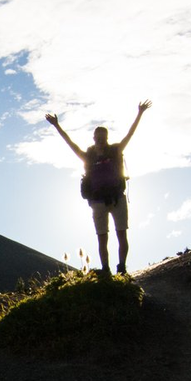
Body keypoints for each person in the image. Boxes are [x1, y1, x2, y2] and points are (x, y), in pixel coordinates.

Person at [46, 100, 152, 275]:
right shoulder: (88, 156)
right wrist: (57, 126)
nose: (101, 141)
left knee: (121, 234)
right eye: (98, 138)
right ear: (94, 138)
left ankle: (122, 267)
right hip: (98, 201)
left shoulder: (115, 151)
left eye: (103, 138)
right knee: (103, 237)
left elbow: (130, 135)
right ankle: (105, 269)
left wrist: (139, 114)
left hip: (117, 197)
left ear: (106, 138)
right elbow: (70, 143)